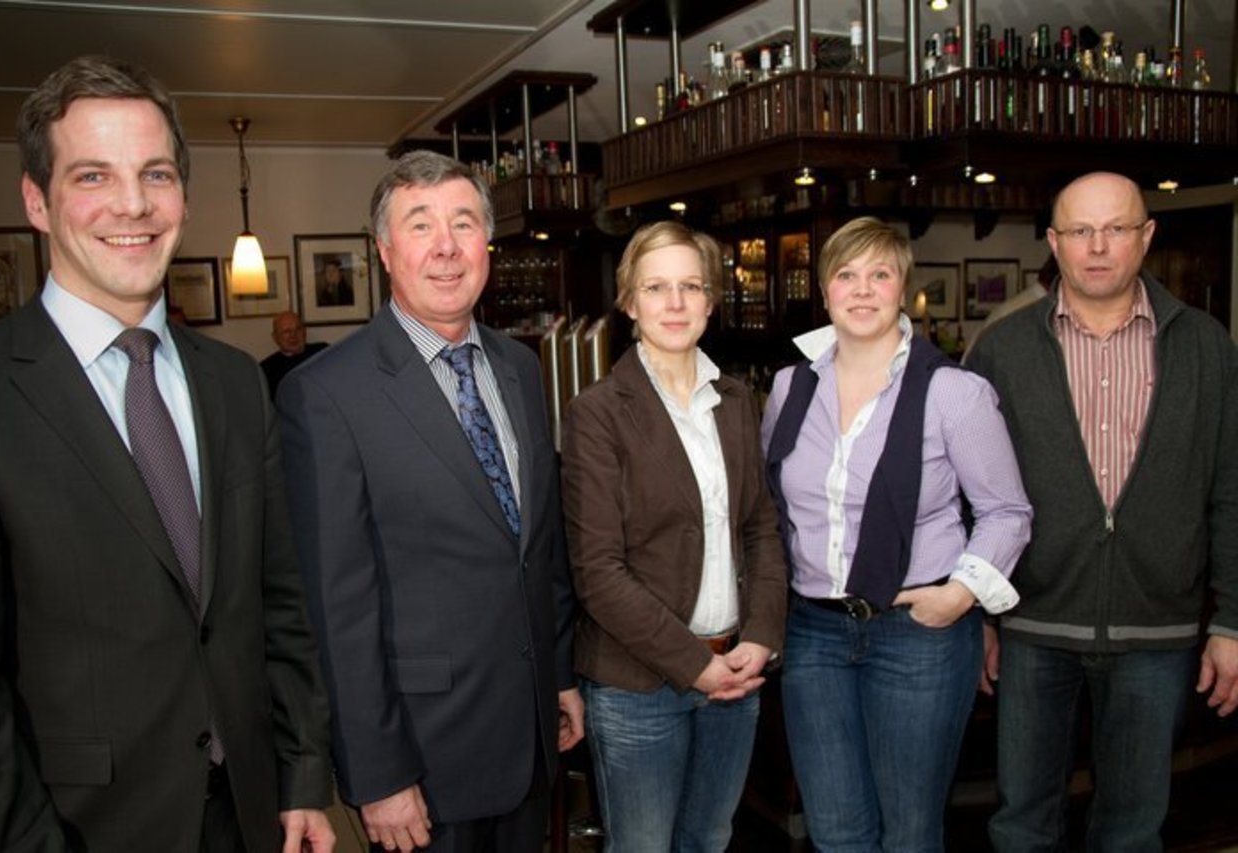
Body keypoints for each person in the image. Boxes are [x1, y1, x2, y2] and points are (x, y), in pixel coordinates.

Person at [0, 56, 334, 852]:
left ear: (184, 197)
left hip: (251, 811)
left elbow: (279, 605)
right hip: (80, 827)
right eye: (93, 175)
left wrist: (303, 776)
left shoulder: (234, 382)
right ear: (36, 200)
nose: (133, 203)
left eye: (155, 174)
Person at [277, 149, 583, 853]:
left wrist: (560, 674)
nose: (446, 246)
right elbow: (336, 606)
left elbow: (538, 547)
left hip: (530, 732)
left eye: (464, 223)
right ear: (385, 250)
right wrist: (378, 773)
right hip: (422, 759)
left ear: (487, 244)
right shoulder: (325, 395)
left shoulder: (518, 366)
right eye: (421, 225)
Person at [966, 171, 1238, 851]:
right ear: (1054, 243)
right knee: (1022, 825)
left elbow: (1232, 488)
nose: (1098, 247)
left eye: (1115, 228)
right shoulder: (1001, 350)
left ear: (1146, 237)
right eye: (1080, 231)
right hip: (1030, 623)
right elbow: (965, 497)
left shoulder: (1208, 348)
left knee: (1132, 830)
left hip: (1159, 629)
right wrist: (978, 613)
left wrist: (1232, 619)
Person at [762, 216, 1032, 852]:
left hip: (919, 635)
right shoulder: (788, 388)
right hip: (814, 634)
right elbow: (771, 508)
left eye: (879, 274)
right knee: (835, 832)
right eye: (846, 275)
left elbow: (1006, 511)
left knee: (909, 833)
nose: (862, 290)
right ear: (824, 291)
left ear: (903, 288)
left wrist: (960, 595)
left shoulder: (953, 393)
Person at [561, 221, 787, 852]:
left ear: (712, 301)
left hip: (736, 673)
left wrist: (762, 636)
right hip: (638, 687)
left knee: (710, 840)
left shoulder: (736, 401)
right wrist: (696, 667)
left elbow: (760, 530)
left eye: (691, 286)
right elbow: (598, 573)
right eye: (656, 287)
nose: (676, 303)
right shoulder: (598, 413)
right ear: (629, 302)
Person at [260, 310, 328, 397]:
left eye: (298, 329)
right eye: (287, 331)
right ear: (275, 337)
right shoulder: (266, 369)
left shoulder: (322, 352)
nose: (293, 335)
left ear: (304, 332)